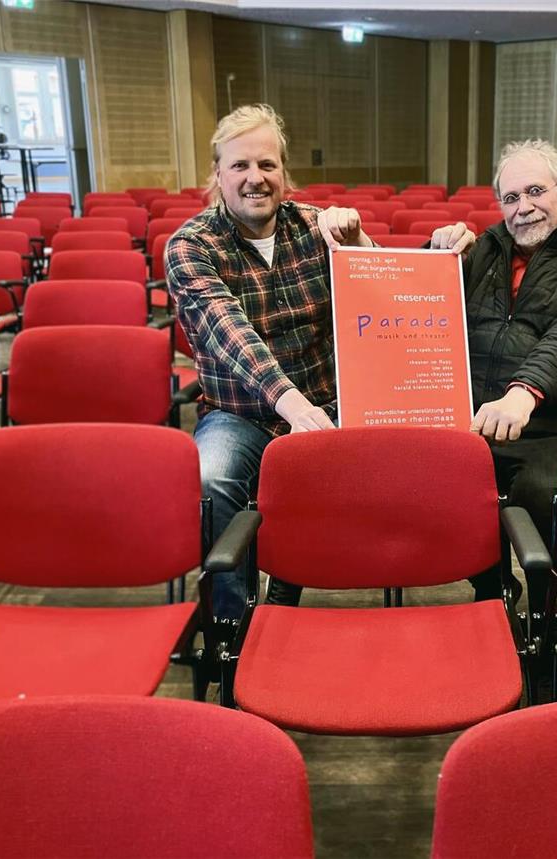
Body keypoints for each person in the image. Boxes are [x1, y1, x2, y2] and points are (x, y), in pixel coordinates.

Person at [166, 104, 372, 620]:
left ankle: (293, 573)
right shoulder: (190, 246)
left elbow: (380, 303)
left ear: (284, 173)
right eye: (239, 165)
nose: (254, 178)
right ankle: (233, 624)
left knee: (422, 456)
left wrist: (360, 245)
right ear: (217, 174)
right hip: (240, 413)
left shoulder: (317, 227)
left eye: (267, 164)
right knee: (211, 479)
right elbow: (228, 330)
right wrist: (293, 406)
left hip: (330, 402)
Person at [431, 139, 557, 618]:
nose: (523, 208)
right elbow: (411, 301)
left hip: (556, 424)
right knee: (429, 481)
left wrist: (523, 394)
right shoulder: (481, 253)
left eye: (535, 191)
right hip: (475, 420)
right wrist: (436, 253)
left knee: (546, 494)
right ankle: (492, 588)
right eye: (510, 198)